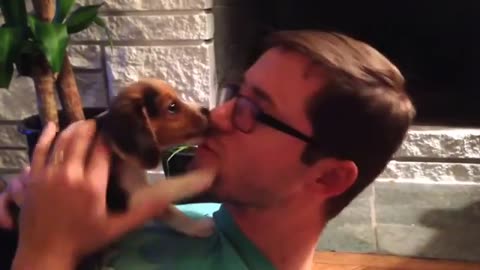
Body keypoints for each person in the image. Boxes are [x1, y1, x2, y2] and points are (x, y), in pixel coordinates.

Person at [0, 30, 415, 270]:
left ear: (326, 176)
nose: (217, 116)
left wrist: (44, 251)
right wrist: (31, 211)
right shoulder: (195, 218)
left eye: (255, 109)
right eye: (236, 93)